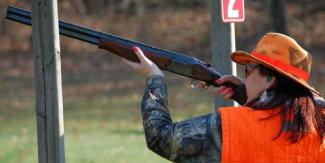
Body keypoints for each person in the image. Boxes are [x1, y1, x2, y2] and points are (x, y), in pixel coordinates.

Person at [124, 32, 325, 162]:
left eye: (248, 70)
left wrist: (155, 78)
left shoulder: (230, 127)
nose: (244, 77)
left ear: (270, 80)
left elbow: (161, 137)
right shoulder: (320, 120)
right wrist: (246, 96)